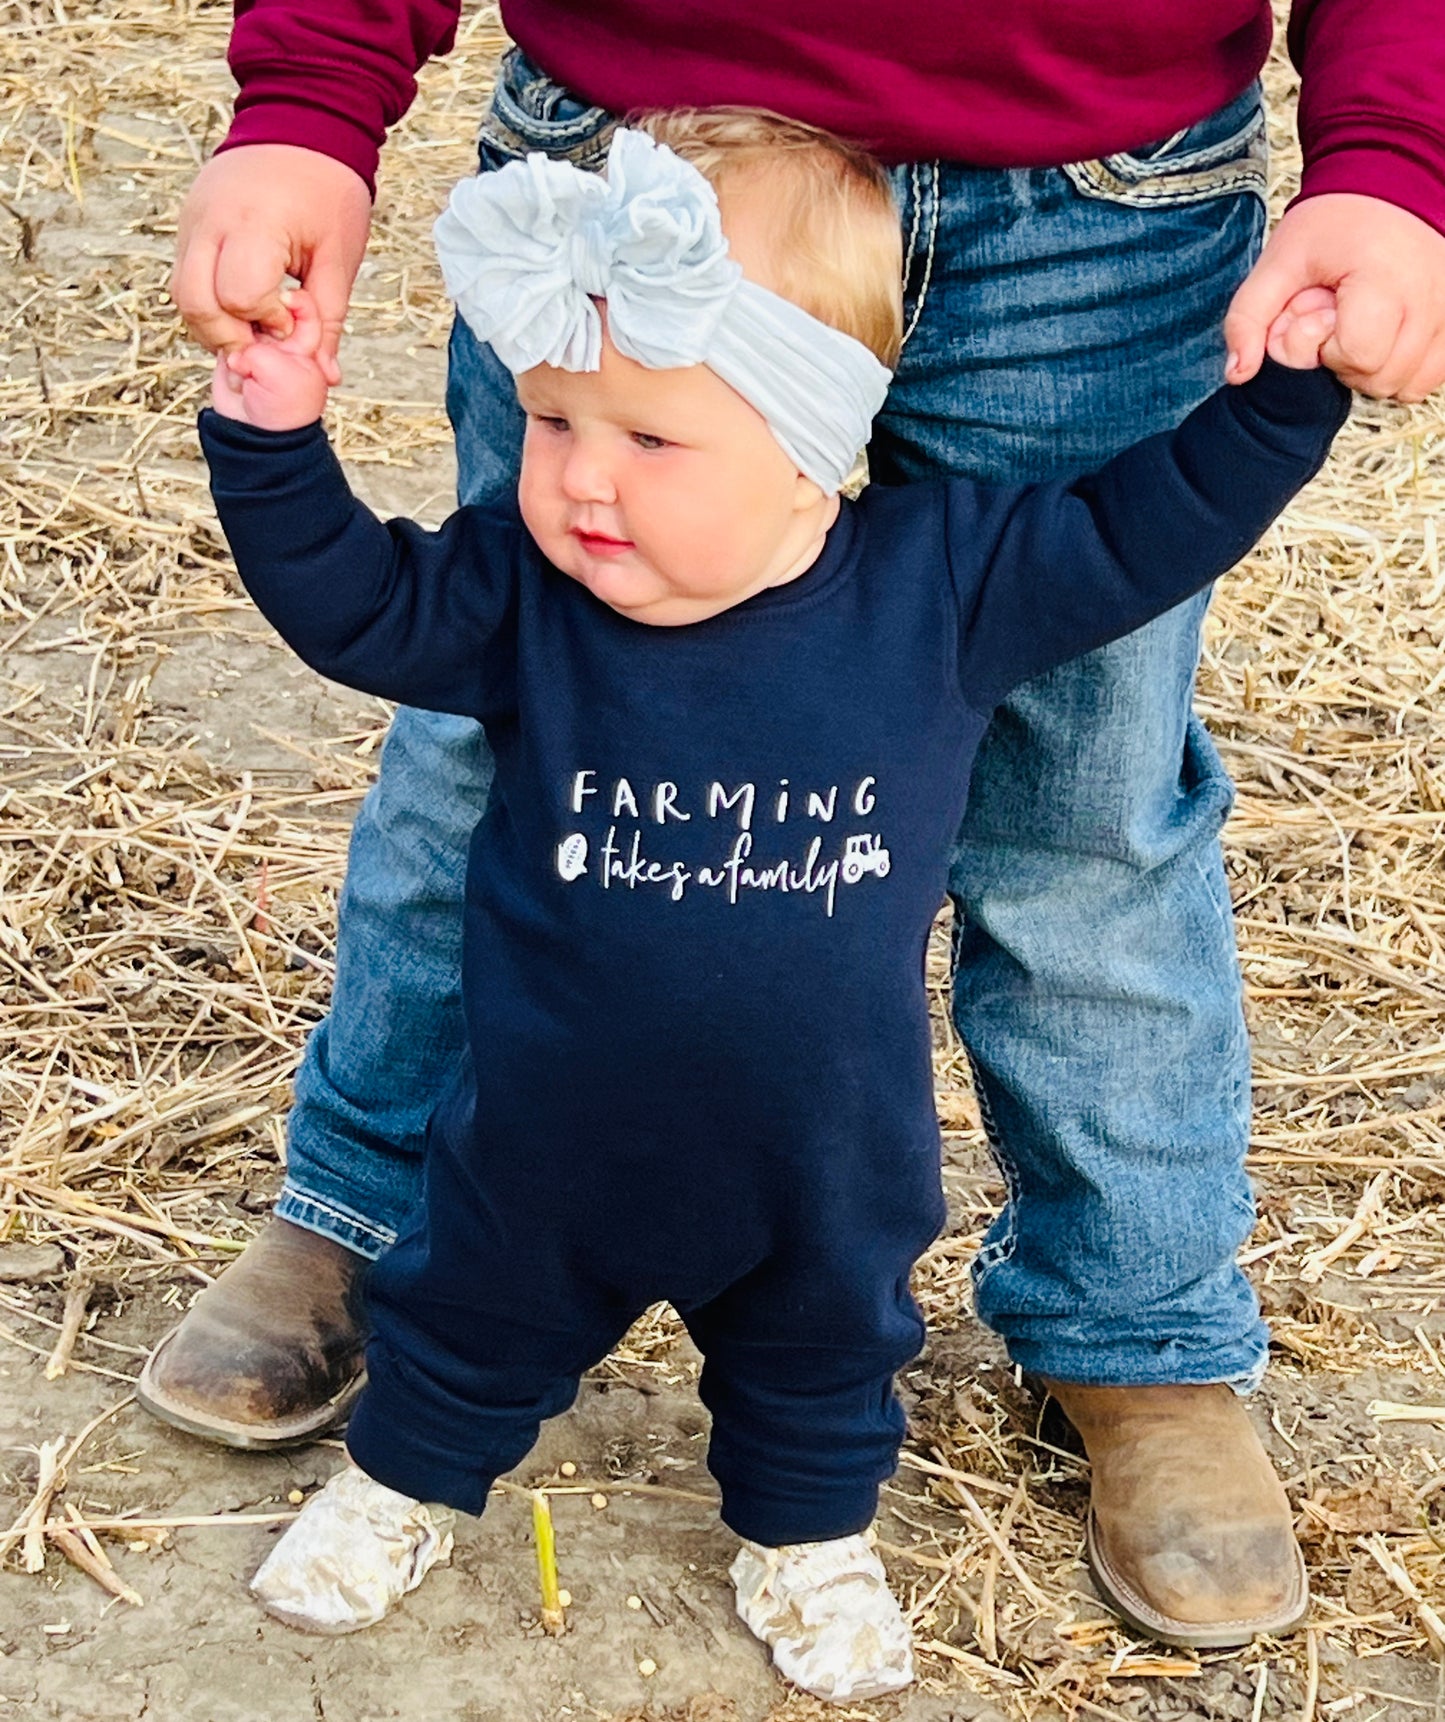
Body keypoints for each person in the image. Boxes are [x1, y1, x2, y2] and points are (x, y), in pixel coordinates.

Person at [142, 0, 1445, 1651]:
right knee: (462, 804)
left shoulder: (947, 590)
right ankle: (365, 1229)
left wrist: (1339, 284)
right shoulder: (534, 588)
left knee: (1084, 824)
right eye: (556, 425)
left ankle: (1109, 1349)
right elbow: (356, 602)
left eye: (643, 439)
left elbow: (1149, 522)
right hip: (632, 132)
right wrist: (288, 259)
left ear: (807, 452)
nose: (580, 483)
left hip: (1098, 197)